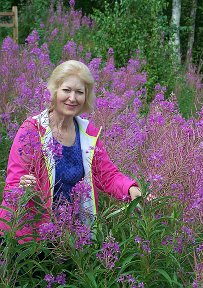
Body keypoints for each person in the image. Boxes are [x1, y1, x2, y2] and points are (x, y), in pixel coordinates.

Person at [0, 60, 142, 242]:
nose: (72, 98)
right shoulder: (32, 130)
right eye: (66, 90)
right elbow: (13, 183)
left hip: (68, 237)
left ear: (86, 97)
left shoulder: (87, 133)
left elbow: (107, 175)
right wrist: (23, 187)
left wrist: (130, 189)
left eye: (79, 92)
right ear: (54, 91)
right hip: (28, 237)